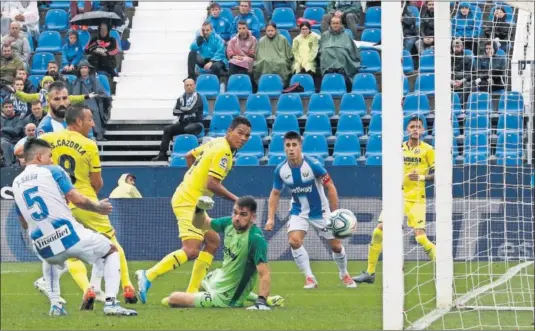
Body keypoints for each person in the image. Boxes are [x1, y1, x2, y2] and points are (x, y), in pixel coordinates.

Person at [12, 138, 137, 316]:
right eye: (49, 156)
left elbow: (24, 222)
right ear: (39, 157)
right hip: (70, 236)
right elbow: (76, 199)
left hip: (42, 246)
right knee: (110, 250)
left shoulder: (16, 183)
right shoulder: (53, 171)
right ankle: (111, 303)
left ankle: (55, 305)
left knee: (51, 260)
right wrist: (97, 207)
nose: (52, 160)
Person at [136, 117, 252, 304]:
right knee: (191, 249)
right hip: (188, 201)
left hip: (193, 200)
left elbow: (189, 156)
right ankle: (148, 275)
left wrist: (193, 179)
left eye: (247, 135)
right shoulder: (224, 152)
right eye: (240, 133)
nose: (244, 138)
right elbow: (212, 184)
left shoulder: (215, 142)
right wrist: (236, 200)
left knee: (212, 241)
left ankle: (191, 292)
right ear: (229, 131)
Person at [38, 104, 138, 306]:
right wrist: (93, 196)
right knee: (112, 243)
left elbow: (22, 149)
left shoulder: (48, 139)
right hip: (86, 200)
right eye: (90, 119)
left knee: (71, 250)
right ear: (78, 121)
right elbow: (97, 182)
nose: (93, 123)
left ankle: (87, 290)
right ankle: (127, 287)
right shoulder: (89, 145)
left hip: (61, 204)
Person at [265, 131, 357, 289]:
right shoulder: (280, 170)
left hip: (320, 212)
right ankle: (310, 278)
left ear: (300, 146)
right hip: (298, 211)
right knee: (294, 241)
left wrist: (335, 213)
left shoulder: (313, 165)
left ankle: (344, 274)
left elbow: (330, 186)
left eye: (294, 145)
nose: (291, 149)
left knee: (335, 246)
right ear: (284, 148)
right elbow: (275, 193)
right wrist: (270, 218)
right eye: (288, 145)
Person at [163, 195, 284, 310]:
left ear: (253, 217)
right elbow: (199, 223)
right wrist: (199, 208)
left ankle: (263, 299)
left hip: (226, 297)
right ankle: (264, 298)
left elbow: (265, 274)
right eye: (235, 212)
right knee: (203, 279)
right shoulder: (228, 223)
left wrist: (261, 302)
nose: (237, 218)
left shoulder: (256, 239)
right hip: (221, 278)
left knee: (173, 298)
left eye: (243, 214)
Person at [353, 116, 436, 284]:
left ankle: (442, 266)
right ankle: (370, 273)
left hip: (416, 199)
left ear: (423, 130)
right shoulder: (399, 149)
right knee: (378, 231)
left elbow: (437, 174)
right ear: (407, 130)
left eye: (418, 127)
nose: (415, 129)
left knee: (420, 237)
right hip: (397, 197)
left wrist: (420, 176)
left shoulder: (428, 150)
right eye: (412, 126)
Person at [152, 78, 204, 161]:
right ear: (184, 87)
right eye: (187, 85)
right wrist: (184, 109)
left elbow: (191, 109)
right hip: (183, 124)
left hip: (196, 124)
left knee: (188, 129)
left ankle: (188, 154)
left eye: (191, 85)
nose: (189, 87)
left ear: (194, 86)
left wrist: (181, 108)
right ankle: (162, 154)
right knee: (167, 129)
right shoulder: (180, 98)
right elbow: (174, 111)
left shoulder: (198, 97)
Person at [11, 80, 93, 126]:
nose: (48, 84)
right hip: (45, 119)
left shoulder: (61, 96)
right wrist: (14, 91)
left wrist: (87, 96)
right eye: (46, 82)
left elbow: (75, 98)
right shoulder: (40, 96)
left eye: (50, 82)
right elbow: (25, 97)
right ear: (42, 84)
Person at [319, 16, 360, 91]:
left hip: (343, 63)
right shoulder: (325, 35)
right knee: (325, 52)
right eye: (333, 23)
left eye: (337, 23)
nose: (335, 25)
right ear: (330, 24)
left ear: (341, 24)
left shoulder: (346, 35)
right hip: (327, 62)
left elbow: (352, 50)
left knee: (341, 52)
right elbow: (321, 48)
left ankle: (341, 71)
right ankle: (328, 70)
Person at [71, 59, 109, 140]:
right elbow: (75, 96)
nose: (83, 70)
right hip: (82, 103)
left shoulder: (95, 80)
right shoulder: (77, 82)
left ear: (88, 69)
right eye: (81, 68)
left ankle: (99, 134)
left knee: (94, 108)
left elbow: (101, 92)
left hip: (94, 101)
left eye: (85, 68)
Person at [253, 22, 292, 86]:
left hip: (280, 58)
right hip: (265, 60)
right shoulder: (261, 40)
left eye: (272, 30)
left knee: (282, 63)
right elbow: (258, 55)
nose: (270, 32)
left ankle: (282, 84)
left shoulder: (283, 39)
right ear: (265, 31)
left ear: (275, 30)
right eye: (268, 31)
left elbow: (288, 54)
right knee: (264, 61)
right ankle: (264, 84)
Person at [1, 100, 26, 166]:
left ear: (13, 108)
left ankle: (10, 166)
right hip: (3, 143)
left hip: (16, 143)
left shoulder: (19, 118)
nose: (8, 109)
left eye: (10, 107)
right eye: (6, 107)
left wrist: (3, 129)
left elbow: (16, 131)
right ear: (2, 109)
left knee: (4, 143)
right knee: (3, 142)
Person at [451, 38, 473, 103]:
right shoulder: (448, 58)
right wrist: (451, 81)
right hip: (451, 80)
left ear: (462, 47)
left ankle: (461, 107)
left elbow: (471, 73)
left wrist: (461, 81)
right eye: (454, 47)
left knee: (469, 86)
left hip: (463, 80)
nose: (456, 48)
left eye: (458, 46)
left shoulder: (468, 58)